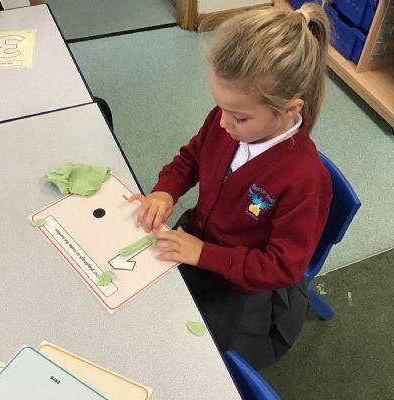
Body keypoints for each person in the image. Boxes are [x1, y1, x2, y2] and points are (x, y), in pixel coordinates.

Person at [129, 2, 332, 370]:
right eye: (219, 107)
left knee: (192, 360)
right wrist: (165, 190)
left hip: (246, 289)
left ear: (289, 108)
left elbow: (281, 267)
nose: (222, 123)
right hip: (199, 242)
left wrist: (204, 254)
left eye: (238, 116)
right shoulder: (228, 122)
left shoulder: (305, 180)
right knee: (142, 305)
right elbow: (191, 158)